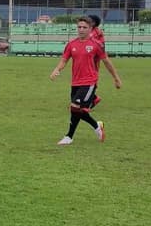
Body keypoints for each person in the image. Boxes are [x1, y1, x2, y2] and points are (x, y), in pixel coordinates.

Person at [49, 16, 122, 146]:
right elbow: (64, 60)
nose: (81, 30)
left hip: (89, 82)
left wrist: (116, 78)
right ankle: (97, 126)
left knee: (74, 107)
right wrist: (56, 70)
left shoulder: (96, 45)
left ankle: (69, 136)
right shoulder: (71, 44)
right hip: (75, 82)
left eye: (84, 27)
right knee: (77, 111)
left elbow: (106, 62)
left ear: (90, 29)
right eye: (79, 27)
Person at [87, 14, 105, 107]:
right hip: (88, 59)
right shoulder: (91, 30)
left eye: (88, 20)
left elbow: (101, 46)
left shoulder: (96, 32)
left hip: (93, 60)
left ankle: (91, 100)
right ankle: (93, 99)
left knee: (91, 79)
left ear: (93, 23)